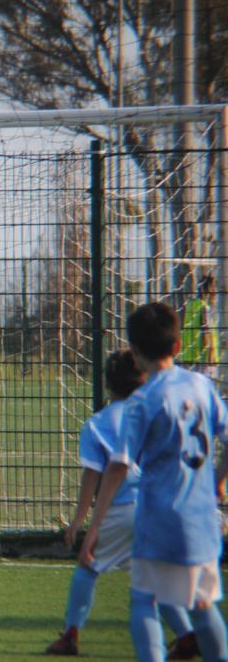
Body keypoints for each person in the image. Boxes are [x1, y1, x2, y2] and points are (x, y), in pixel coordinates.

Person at [80, 302, 228, 662]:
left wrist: (94, 525)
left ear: (134, 351)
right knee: (202, 602)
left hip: (159, 518)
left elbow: (118, 466)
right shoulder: (202, 386)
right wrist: (218, 481)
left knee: (144, 599)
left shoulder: (143, 400)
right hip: (201, 518)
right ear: (176, 346)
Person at [45, 349, 196, 657]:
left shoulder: (98, 423)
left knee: (88, 566)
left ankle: (71, 634)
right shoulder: (158, 414)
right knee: (156, 577)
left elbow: (93, 477)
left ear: (107, 383)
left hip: (121, 510)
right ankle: (187, 634)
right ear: (143, 379)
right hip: (160, 507)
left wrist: (80, 521)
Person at [181, 273, 220, 383]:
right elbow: (206, 333)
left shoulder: (190, 306)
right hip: (202, 359)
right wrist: (210, 358)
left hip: (188, 357)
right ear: (210, 291)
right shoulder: (204, 308)